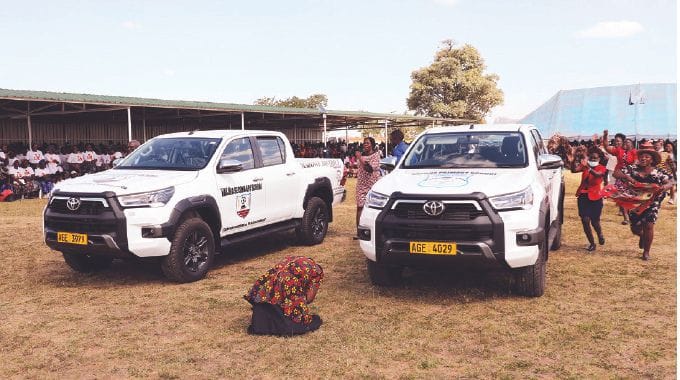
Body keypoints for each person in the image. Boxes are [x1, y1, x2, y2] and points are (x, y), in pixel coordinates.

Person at [611, 142, 673, 260]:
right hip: (635, 201)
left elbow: (670, 182)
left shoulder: (658, 172)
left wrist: (663, 187)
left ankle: (646, 252)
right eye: (641, 156)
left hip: (652, 201)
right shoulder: (632, 168)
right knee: (635, 228)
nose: (643, 158)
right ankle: (642, 236)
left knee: (649, 225)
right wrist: (627, 177)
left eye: (647, 156)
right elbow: (616, 173)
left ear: (652, 159)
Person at [244, 256, 323, 336]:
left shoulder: (296, 259)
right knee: (297, 322)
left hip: (271, 280)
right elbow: (309, 298)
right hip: (288, 281)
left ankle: (264, 323)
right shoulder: (317, 272)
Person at [570, 148, 606, 251]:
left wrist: (588, 167)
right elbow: (573, 170)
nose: (593, 159)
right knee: (585, 220)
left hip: (596, 197)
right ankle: (592, 243)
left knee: (595, 222)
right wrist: (574, 159)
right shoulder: (585, 167)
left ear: (599, 158)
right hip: (583, 196)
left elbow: (598, 175)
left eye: (595, 158)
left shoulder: (602, 168)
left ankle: (600, 234)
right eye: (591, 157)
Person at [602, 130, 637, 225]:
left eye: (628, 142)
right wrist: (605, 136)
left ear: (632, 144)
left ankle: (632, 216)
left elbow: (636, 164)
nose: (626, 144)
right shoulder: (619, 151)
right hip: (620, 176)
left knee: (631, 197)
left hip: (631, 177)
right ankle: (626, 218)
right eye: (625, 142)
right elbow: (606, 147)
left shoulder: (635, 152)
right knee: (621, 196)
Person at [355, 137, 381, 226]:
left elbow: (369, 169)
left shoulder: (375, 155)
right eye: (364, 143)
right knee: (360, 207)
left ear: (372, 145)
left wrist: (359, 158)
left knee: (373, 208)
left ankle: (372, 228)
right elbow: (360, 167)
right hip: (361, 185)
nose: (365, 144)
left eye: (367, 143)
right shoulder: (362, 155)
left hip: (372, 185)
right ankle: (359, 231)